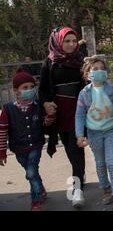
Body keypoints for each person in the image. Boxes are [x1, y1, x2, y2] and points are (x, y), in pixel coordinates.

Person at [75, 56, 113, 211]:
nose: (99, 71)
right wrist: (80, 135)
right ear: (87, 74)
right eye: (95, 69)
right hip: (94, 134)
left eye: (102, 69)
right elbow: (79, 115)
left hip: (110, 132)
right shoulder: (84, 93)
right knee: (100, 164)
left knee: (112, 163)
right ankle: (106, 189)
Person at [38, 26, 86, 208]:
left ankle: (77, 186)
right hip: (62, 114)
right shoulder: (49, 63)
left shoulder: (81, 60)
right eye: (67, 41)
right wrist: (45, 104)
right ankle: (78, 180)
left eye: (74, 41)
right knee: (72, 150)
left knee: (77, 149)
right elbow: (42, 90)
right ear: (58, 41)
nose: (72, 44)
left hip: (81, 111)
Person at [0, 68, 54, 211]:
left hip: (35, 146)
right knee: (32, 173)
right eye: (25, 87)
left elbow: (44, 124)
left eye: (31, 87)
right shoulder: (8, 109)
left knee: (30, 173)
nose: (29, 90)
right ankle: (41, 189)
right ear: (16, 90)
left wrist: (50, 116)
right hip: (18, 149)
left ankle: (36, 201)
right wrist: (2, 152)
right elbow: (2, 131)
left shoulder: (37, 106)